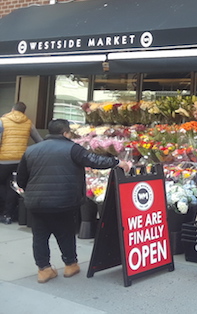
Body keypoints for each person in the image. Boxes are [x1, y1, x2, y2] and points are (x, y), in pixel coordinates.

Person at [16, 119, 131, 284]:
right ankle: (70, 264)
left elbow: (21, 179)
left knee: (40, 236)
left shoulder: (31, 150)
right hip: (65, 201)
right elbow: (95, 161)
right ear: (66, 133)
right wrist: (118, 162)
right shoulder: (72, 148)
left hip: (37, 202)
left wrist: (33, 191)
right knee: (66, 234)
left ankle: (43, 270)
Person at [0, 101, 43, 224]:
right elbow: (39, 141)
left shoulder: (3, 120)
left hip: (3, 160)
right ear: (24, 111)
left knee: (5, 186)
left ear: (12, 109)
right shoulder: (28, 123)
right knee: (13, 187)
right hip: (20, 161)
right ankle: (7, 215)